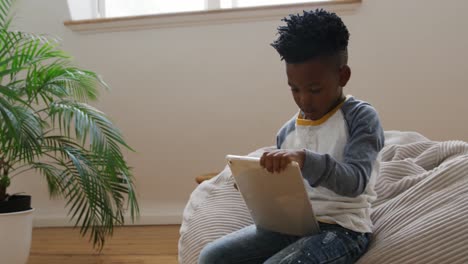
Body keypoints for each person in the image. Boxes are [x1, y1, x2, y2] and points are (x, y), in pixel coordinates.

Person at [199, 9, 384, 264]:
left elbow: (356, 182)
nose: (304, 99)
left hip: (342, 230)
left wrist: (306, 160)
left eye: (314, 89)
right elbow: (287, 194)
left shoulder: (361, 117)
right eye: (294, 89)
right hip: (291, 227)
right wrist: (257, 185)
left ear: (343, 75)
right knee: (212, 256)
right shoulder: (287, 131)